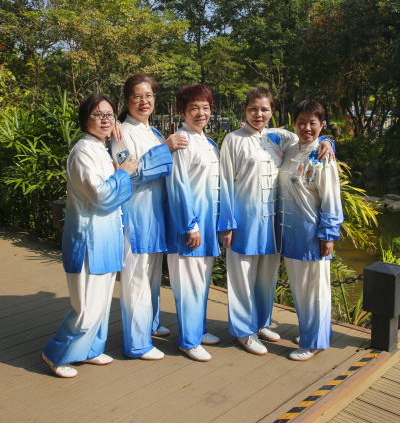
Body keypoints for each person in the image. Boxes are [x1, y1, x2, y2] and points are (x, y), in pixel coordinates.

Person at [218, 87, 335, 356]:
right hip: (244, 222)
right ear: (245, 110)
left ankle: (261, 324)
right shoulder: (233, 139)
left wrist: (328, 141)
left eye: (264, 109)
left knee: (266, 279)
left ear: (272, 111)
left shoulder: (280, 137)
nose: (258, 114)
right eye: (253, 109)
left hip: (273, 227)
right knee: (242, 278)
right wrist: (226, 224)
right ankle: (243, 331)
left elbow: (310, 137)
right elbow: (224, 182)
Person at [42, 94, 138, 378]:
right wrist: (123, 173)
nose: (106, 120)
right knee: (86, 307)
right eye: (98, 115)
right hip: (88, 240)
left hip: (106, 237)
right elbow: (102, 195)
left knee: (102, 303)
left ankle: (90, 350)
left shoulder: (100, 147)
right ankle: (56, 354)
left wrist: (119, 162)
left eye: (110, 115)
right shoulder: (83, 151)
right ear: (85, 119)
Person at [111, 74, 188, 360]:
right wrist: (165, 148)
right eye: (137, 96)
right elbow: (131, 173)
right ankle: (137, 343)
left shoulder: (153, 132)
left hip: (156, 214)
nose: (144, 101)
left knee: (152, 276)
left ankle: (151, 325)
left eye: (149, 96)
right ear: (127, 100)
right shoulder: (121, 133)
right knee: (136, 280)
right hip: (136, 214)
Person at [279, 100, 343, 361]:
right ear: (294, 124)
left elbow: (331, 198)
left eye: (313, 123)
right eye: (301, 122)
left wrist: (328, 235)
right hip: (290, 234)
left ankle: (313, 343)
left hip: (311, 234)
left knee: (315, 291)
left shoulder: (322, 156)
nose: (307, 127)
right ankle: (314, 332)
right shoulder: (291, 148)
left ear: (322, 125)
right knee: (301, 289)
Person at [166, 84, 221, 362]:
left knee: (202, 280)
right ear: (182, 112)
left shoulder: (207, 142)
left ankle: (198, 330)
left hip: (207, 226)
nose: (201, 113)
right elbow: (178, 186)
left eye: (205, 107)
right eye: (194, 108)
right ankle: (188, 341)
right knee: (188, 284)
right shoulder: (182, 142)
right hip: (190, 228)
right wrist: (191, 225)